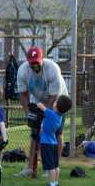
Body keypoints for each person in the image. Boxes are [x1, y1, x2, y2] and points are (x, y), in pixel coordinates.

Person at [15, 46, 68, 177]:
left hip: (58, 101)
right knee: (35, 133)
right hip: (39, 101)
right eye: (32, 63)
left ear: (41, 60)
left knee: (55, 133)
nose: (35, 65)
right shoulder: (22, 71)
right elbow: (23, 94)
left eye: (37, 62)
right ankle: (30, 168)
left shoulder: (52, 69)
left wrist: (46, 116)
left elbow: (53, 96)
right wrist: (29, 114)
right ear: (28, 62)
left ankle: (53, 167)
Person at [37, 95, 72, 186]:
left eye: (56, 101)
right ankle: (56, 182)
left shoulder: (51, 114)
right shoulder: (59, 117)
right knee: (56, 165)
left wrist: (38, 101)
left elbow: (40, 106)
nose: (54, 103)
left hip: (46, 143)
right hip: (54, 143)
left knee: (50, 167)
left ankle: (51, 184)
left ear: (57, 106)